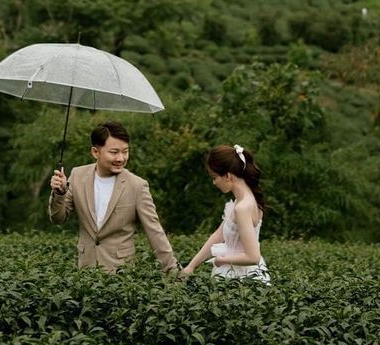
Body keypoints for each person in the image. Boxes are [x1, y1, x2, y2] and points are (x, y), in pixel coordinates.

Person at [48, 120, 179, 274]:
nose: (121, 158)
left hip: (120, 275)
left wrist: (173, 271)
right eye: (114, 152)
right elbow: (58, 219)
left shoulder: (137, 186)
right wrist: (60, 192)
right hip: (85, 273)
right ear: (95, 152)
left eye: (125, 151)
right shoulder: (77, 175)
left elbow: (154, 231)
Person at [179, 143, 271, 283]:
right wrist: (191, 266)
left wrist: (221, 260)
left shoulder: (243, 207)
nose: (214, 183)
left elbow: (253, 257)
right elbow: (218, 235)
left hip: (241, 279)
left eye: (215, 177)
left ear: (228, 176)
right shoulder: (240, 201)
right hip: (239, 274)